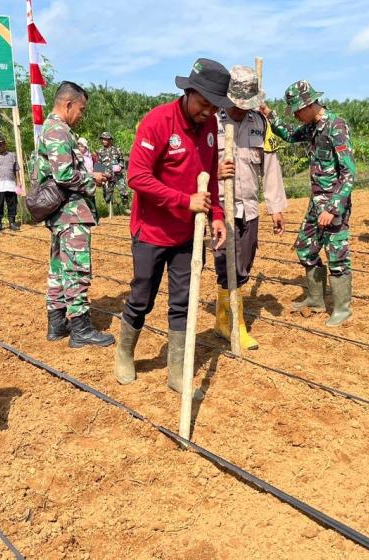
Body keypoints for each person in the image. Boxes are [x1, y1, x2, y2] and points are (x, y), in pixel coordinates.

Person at [114, 58, 233, 395]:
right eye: (203, 103)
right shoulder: (158, 122)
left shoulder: (210, 127)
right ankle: (125, 352)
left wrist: (217, 215)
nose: (207, 112)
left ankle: (177, 372)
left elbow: (208, 179)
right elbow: (137, 177)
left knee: (183, 301)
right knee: (141, 297)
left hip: (187, 235)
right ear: (188, 91)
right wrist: (184, 201)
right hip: (151, 231)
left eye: (214, 107)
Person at [260, 80, 356, 327]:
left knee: (337, 255)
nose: (295, 115)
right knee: (305, 247)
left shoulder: (336, 126)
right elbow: (290, 135)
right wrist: (268, 115)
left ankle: (342, 308)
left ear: (310, 104)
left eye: (297, 110)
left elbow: (348, 173)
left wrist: (333, 208)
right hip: (316, 203)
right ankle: (315, 299)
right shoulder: (312, 126)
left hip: (334, 205)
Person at [34, 82, 115, 348]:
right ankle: (80, 329)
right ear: (68, 105)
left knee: (58, 269)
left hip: (62, 214)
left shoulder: (55, 128)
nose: (81, 115)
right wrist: (92, 179)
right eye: (80, 109)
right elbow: (64, 174)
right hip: (70, 213)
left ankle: (57, 323)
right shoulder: (58, 129)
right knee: (76, 269)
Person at [213, 65, 287, 349]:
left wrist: (276, 206)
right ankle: (233, 322)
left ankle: (223, 317)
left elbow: (270, 166)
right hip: (221, 206)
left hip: (250, 207)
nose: (243, 110)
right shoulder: (212, 122)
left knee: (244, 262)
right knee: (224, 261)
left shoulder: (260, 123)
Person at [0, 135, 21, 231]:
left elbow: (16, 170)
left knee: (12, 204)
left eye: (0, 145)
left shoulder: (12, 155)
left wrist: (18, 182)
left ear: (5, 144)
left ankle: (12, 222)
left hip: (11, 184)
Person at [97, 131, 130, 213]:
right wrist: (99, 177)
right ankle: (110, 213)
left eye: (106, 139)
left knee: (123, 192)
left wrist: (119, 167)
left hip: (118, 176)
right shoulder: (100, 151)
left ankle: (126, 208)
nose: (104, 141)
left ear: (110, 140)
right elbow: (99, 164)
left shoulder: (117, 150)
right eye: (103, 139)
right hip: (107, 176)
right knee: (107, 195)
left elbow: (122, 160)